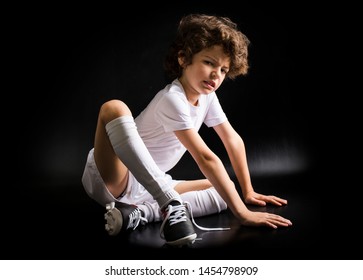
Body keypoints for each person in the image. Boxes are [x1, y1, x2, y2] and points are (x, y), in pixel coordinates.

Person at [81, 13, 292, 247]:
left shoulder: (208, 97)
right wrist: (243, 214)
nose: (216, 74)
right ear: (183, 58)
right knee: (114, 108)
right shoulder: (173, 98)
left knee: (226, 190)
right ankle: (168, 202)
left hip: (151, 186)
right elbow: (204, 157)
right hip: (115, 177)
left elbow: (232, 139)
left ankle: (140, 214)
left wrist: (248, 191)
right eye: (209, 62)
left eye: (223, 69)